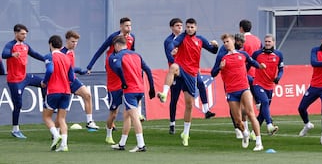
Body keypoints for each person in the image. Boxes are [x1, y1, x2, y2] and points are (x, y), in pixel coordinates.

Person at [157, 18, 218, 146]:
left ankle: (185, 132)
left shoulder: (200, 39)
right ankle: (164, 93)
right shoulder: (182, 37)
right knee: (173, 67)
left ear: (196, 28)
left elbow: (213, 51)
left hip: (192, 73)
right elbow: (172, 43)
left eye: (192, 27)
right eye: (188, 27)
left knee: (189, 105)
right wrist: (172, 49)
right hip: (181, 68)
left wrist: (216, 45)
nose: (189, 29)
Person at [86, 17, 142, 131]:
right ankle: (113, 113)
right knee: (115, 88)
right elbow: (101, 50)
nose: (129, 28)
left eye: (130, 26)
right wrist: (90, 66)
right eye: (126, 26)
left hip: (125, 65)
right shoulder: (114, 37)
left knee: (130, 86)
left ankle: (134, 112)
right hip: (112, 65)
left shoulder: (132, 37)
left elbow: (133, 51)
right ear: (121, 26)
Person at [211, 33, 264, 151]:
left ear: (233, 41)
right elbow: (213, 73)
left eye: (227, 41)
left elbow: (253, 62)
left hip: (244, 88)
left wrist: (260, 66)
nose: (226, 44)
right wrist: (220, 67)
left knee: (251, 113)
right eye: (224, 42)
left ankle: (259, 142)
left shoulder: (243, 54)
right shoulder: (222, 57)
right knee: (238, 120)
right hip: (231, 91)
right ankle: (245, 133)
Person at [109, 35, 155, 152]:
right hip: (140, 89)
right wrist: (152, 88)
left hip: (130, 91)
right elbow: (148, 70)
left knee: (134, 118)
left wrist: (123, 82)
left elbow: (118, 67)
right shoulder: (136, 55)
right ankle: (122, 143)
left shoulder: (119, 55)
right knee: (127, 116)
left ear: (117, 45)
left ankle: (141, 144)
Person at [1, 24, 45, 139]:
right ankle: (15, 130)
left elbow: (34, 54)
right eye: (22, 34)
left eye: (25, 34)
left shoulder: (26, 46)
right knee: (18, 105)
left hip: (24, 77)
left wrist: (46, 59)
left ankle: (46, 103)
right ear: (16, 33)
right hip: (14, 80)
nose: (24, 36)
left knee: (44, 82)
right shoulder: (10, 45)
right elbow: (4, 54)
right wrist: (12, 54)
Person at [41, 35, 74, 152]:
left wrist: (44, 82)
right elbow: (72, 77)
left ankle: (56, 135)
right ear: (61, 45)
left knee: (46, 116)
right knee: (62, 119)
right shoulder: (67, 58)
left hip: (54, 90)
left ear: (50, 44)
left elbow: (50, 70)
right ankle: (64, 145)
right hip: (66, 91)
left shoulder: (49, 56)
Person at [60, 30, 98, 129]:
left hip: (72, 80)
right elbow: (66, 69)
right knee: (62, 109)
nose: (75, 44)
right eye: (73, 41)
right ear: (67, 40)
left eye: (76, 42)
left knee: (87, 95)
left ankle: (89, 121)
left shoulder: (71, 52)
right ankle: (56, 131)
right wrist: (79, 70)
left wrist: (80, 71)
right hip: (63, 82)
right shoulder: (61, 53)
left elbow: (71, 69)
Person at [252, 34, 284, 135]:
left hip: (270, 85)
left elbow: (281, 69)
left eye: (269, 41)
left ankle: (253, 133)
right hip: (258, 83)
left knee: (263, 112)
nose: (267, 43)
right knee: (264, 102)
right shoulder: (257, 54)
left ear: (273, 43)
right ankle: (269, 125)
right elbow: (249, 64)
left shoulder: (279, 54)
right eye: (265, 41)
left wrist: (278, 77)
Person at [238, 19, 262, 139]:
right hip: (256, 74)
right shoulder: (257, 40)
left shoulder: (241, 41)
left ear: (241, 28)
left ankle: (245, 131)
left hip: (244, 74)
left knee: (243, 105)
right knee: (255, 105)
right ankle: (261, 125)